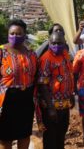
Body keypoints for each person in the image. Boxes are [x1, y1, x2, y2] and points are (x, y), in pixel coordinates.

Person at [0, 19, 38, 149]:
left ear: (25, 35)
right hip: (6, 100)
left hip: (26, 99)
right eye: (12, 33)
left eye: (19, 33)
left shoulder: (31, 54)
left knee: (24, 135)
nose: (15, 36)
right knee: (5, 138)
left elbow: (36, 77)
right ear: (8, 34)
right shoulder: (1, 52)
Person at [38, 32, 75, 149]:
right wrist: (50, 108)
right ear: (49, 43)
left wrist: (71, 95)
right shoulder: (46, 59)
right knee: (50, 137)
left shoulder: (65, 55)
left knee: (61, 134)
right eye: (53, 43)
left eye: (59, 43)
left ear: (64, 43)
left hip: (64, 104)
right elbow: (42, 85)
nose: (56, 45)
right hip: (51, 106)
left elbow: (69, 76)